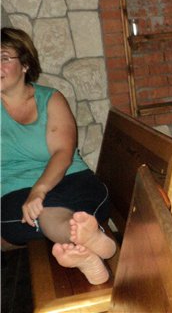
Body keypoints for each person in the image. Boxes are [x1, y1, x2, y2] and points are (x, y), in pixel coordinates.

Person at [1, 27, 116, 284]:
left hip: (71, 179)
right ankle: (90, 241)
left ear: (25, 64)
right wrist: (34, 195)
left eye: (3, 57)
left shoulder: (50, 99)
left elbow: (63, 152)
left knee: (45, 208)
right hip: (16, 191)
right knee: (40, 211)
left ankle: (85, 245)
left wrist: (39, 190)